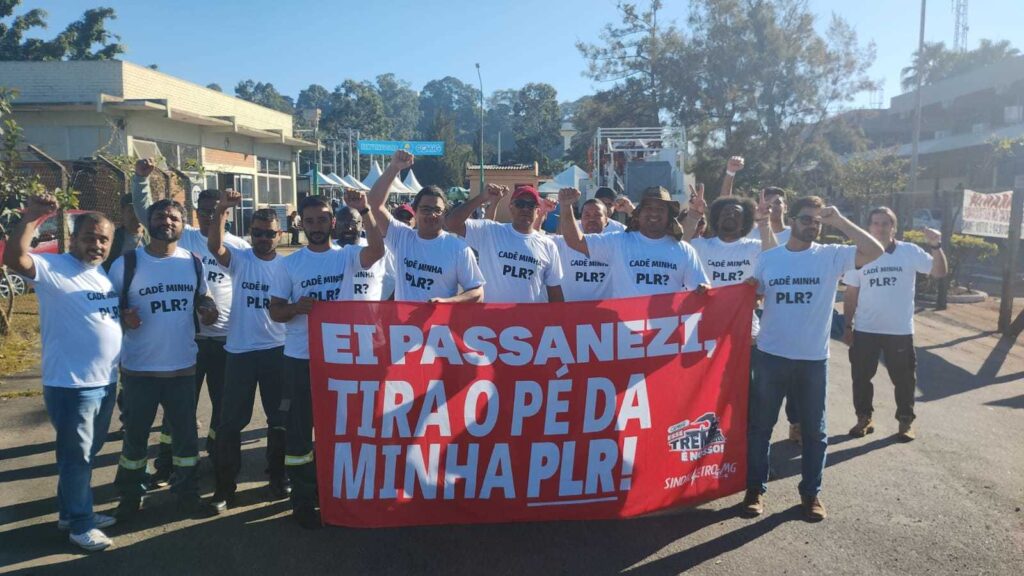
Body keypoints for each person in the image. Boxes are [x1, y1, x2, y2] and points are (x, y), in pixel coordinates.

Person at [744, 195, 884, 521]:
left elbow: (875, 250)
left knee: (814, 432)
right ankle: (754, 490)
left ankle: (811, 494)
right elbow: (754, 295)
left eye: (817, 221)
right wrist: (749, 290)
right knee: (760, 428)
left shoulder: (831, 256)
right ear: (792, 220)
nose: (813, 225)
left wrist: (840, 221)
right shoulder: (769, 258)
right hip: (770, 356)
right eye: (806, 219)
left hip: (812, 360)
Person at [4, 196, 122, 551]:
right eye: (90, 237)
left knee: (85, 454)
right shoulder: (54, 267)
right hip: (72, 384)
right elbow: (14, 259)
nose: (97, 244)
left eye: (103, 239)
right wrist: (32, 217)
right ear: (74, 238)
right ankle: (81, 525)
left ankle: (70, 513)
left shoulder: (100, 274)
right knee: (78, 458)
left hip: (104, 381)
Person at [269, 195, 384, 529]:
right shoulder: (289, 264)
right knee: (300, 433)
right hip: (300, 358)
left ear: (333, 222)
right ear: (301, 224)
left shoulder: (347, 256)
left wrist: (365, 210)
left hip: (341, 359)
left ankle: (334, 494)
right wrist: (296, 308)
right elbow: (275, 310)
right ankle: (303, 500)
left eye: (322, 220)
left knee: (341, 431)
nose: (316, 226)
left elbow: (378, 250)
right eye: (310, 221)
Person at [132, 159, 249, 483]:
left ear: (227, 213)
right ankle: (166, 463)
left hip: (227, 341)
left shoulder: (240, 247)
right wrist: (140, 180)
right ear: (196, 212)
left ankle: (217, 456)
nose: (211, 215)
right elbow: (147, 214)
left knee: (223, 408)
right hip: (190, 341)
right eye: (205, 210)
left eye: (217, 210)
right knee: (179, 408)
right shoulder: (185, 239)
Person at [109, 198, 219, 521]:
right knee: (135, 440)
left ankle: (187, 495)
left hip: (182, 368)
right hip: (139, 369)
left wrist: (209, 309)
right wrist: (122, 316)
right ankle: (130, 497)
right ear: (149, 221)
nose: (167, 221)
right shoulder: (127, 264)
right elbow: (105, 309)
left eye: (174, 217)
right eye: (160, 216)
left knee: (186, 440)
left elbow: (203, 297)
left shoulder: (193, 262)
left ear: (183, 225)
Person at [206, 193, 291, 513]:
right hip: (240, 353)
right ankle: (224, 488)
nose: (263, 238)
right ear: (250, 233)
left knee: (279, 419)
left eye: (269, 233)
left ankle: (278, 477)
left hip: (277, 352)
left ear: (280, 234)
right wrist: (222, 209)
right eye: (257, 232)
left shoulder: (287, 266)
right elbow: (215, 246)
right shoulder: (241, 259)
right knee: (230, 423)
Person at [842, 207, 947, 441]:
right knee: (861, 377)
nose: (880, 227)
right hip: (866, 329)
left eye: (885, 223)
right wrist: (848, 326)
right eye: (876, 223)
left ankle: (905, 421)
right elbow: (851, 294)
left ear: (894, 228)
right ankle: (864, 418)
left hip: (899, 331)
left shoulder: (909, 252)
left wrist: (936, 246)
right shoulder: (859, 255)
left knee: (904, 379)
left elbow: (939, 272)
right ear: (869, 227)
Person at [368, 151, 484, 303]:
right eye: (425, 209)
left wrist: (446, 302)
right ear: (415, 212)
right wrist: (394, 167)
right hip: (402, 319)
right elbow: (374, 204)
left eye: (437, 210)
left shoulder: (458, 249)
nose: (432, 215)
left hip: (439, 319)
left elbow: (477, 292)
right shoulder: (401, 237)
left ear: (444, 214)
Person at [558, 186, 710, 298]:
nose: (654, 213)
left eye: (660, 209)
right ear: (639, 213)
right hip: (624, 331)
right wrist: (565, 206)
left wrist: (705, 289)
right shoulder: (618, 242)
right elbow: (576, 241)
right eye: (648, 208)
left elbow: (702, 287)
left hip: (665, 331)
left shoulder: (684, 250)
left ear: (669, 215)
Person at [446, 183, 564, 303]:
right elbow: (452, 223)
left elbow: (555, 292)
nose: (525, 209)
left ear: (537, 210)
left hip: (529, 315)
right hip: (490, 314)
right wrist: (481, 198)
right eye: (520, 204)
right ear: (511, 207)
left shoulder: (548, 245)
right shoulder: (491, 231)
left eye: (531, 205)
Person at [551, 198, 614, 302]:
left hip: (603, 310)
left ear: (606, 220)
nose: (591, 219)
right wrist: (541, 212)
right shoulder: (563, 242)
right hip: (571, 310)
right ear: (581, 219)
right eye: (587, 215)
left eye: (597, 215)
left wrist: (630, 210)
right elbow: (535, 240)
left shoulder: (615, 244)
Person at [334, 201, 395, 301]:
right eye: (343, 223)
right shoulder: (327, 251)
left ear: (362, 225)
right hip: (337, 310)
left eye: (353, 223)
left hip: (371, 310)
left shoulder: (379, 248)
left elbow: (396, 279)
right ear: (335, 225)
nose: (349, 228)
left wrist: (386, 306)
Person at [103, 193, 146, 271]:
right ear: (122, 212)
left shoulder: (154, 239)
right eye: (131, 210)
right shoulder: (112, 239)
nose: (136, 215)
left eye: (139, 210)